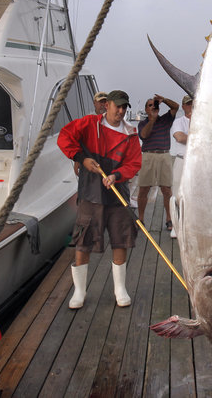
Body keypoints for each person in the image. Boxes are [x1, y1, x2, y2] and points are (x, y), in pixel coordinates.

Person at [57, 90, 142, 309]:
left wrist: (116, 175)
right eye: (118, 106)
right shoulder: (88, 124)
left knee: (121, 238)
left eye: (125, 107)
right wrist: (81, 158)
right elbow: (64, 137)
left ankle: (120, 289)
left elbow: (134, 163)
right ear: (107, 105)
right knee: (83, 240)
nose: (121, 111)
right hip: (90, 193)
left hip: (117, 193)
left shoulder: (131, 133)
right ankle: (79, 291)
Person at [136, 95, 179, 227]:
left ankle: (169, 219)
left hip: (164, 155)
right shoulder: (142, 123)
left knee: (166, 189)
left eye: (155, 105)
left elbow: (176, 107)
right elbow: (144, 135)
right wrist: (152, 120)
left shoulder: (166, 119)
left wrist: (164, 100)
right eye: (150, 106)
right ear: (146, 109)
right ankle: (141, 219)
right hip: (148, 156)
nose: (153, 107)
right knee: (143, 189)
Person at [169, 95, 193, 238]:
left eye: (193, 104)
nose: (191, 107)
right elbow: (179, 137)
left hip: (198, 163)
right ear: (183, 106)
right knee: (177, 194)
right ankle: (176, 226)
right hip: (181, 160)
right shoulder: (178, 122)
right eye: (188, 104)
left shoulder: (203, 121)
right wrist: (199, 137)